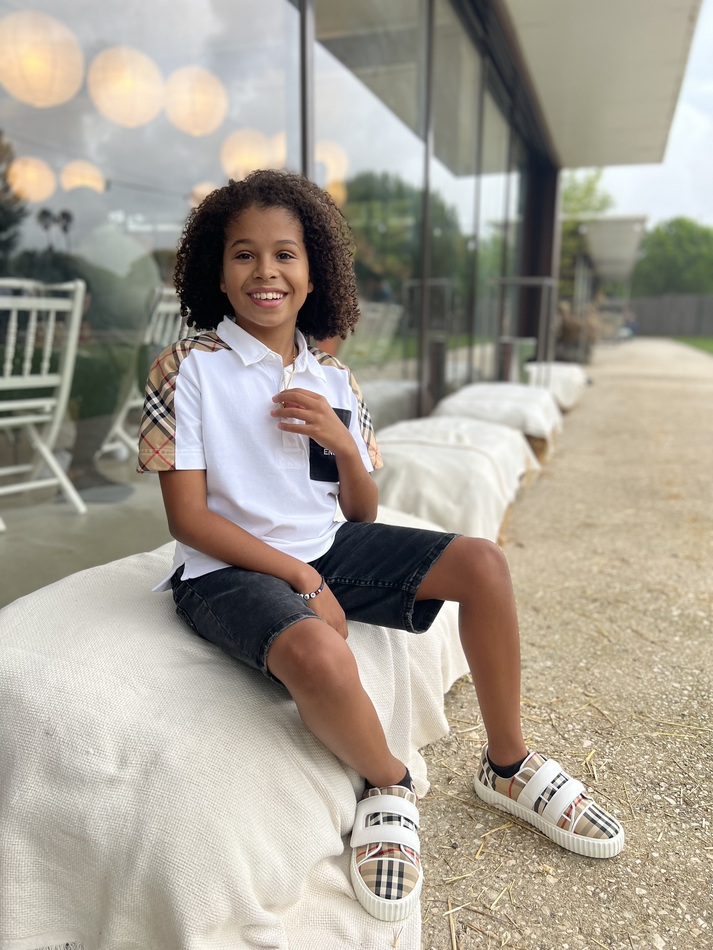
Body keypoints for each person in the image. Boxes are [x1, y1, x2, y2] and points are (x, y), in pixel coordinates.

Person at [138, 169, 624, 923]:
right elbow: (189, 522)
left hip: (329, 545)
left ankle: (506, 764)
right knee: (319, 652)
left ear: (313, 274)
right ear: (217, 271)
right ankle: (389, 783)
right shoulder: (189, 369)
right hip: (225, 570)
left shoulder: (332, 376)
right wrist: (302, 579)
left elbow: (358, 513)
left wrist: (343, 444)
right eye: (243, 254)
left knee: (482, 562)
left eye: (285, 254)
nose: (266, 272)